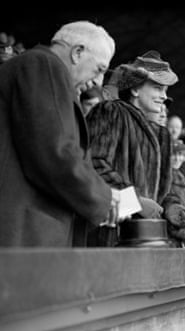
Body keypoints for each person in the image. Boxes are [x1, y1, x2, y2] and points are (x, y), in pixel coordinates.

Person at [0, 21, 120, 247]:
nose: (98, 82)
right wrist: (105, 198)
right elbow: (54, 152)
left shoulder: (33, 69)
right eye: (100, 69)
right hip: (23, 237)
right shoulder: (44, 65)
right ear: (77, 52)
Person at [86, 50, 178, 246]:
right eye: (157, 88)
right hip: (109, 234)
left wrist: (173, 209)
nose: (164, 96)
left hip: (148, 238)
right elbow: (93, 164)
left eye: (166, 90)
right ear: (135, 89)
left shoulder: (162, 134)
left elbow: (164, 189)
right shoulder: (111, 112)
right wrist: (134, 202)